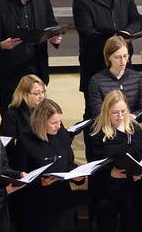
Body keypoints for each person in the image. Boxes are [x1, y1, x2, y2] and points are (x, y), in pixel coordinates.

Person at [72, 0, 142, 119]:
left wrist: (127, 33)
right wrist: (114, 41)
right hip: (95, 62)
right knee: (95, 112)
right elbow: (87, 32)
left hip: (122, 62)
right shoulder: (82, 0)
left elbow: (136, 20)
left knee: (124, 109)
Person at [0, 0, 62, 117]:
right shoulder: (0, 4)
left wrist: (55, 38)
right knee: (11, 117)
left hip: (36, 69)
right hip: (11, 73)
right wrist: (3, 45)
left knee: (38, 117)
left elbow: (51, 24)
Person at [85, 90, 142, 232]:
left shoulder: (134, 129)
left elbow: (141, 156)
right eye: (115, 112)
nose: (120, 116)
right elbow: (93, 162)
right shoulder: (97, 133)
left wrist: (140, 171)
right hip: (108, 191)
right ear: (106, 112)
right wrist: (110, 173)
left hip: (131, 189)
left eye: (123, 111)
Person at [18, 99, 85, 232]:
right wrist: (40, 182)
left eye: (60, 121)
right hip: (38, 204)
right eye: (54, 123)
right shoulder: (25, 140)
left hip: (62, 200)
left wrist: (77, 176)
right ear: (41, 122)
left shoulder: (62, 135)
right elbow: (20, 174)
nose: (59, 126)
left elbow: (68, 163)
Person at [88, 35, 142, 119]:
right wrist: (119, 117)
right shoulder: (96, 81)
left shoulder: (137, 78)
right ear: (109, 57)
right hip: (107, 128)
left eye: (125, 56)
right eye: (117, 57)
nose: (123, 61)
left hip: (131, 126)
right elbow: (97, 112)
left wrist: (134, 115)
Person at [1, 74, 46, 170]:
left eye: (43, 92)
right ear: (24, 94)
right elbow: (9, 146)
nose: (41, 96)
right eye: (36, 93)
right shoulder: (12, 115)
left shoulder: (47, 110)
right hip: (25, 163)